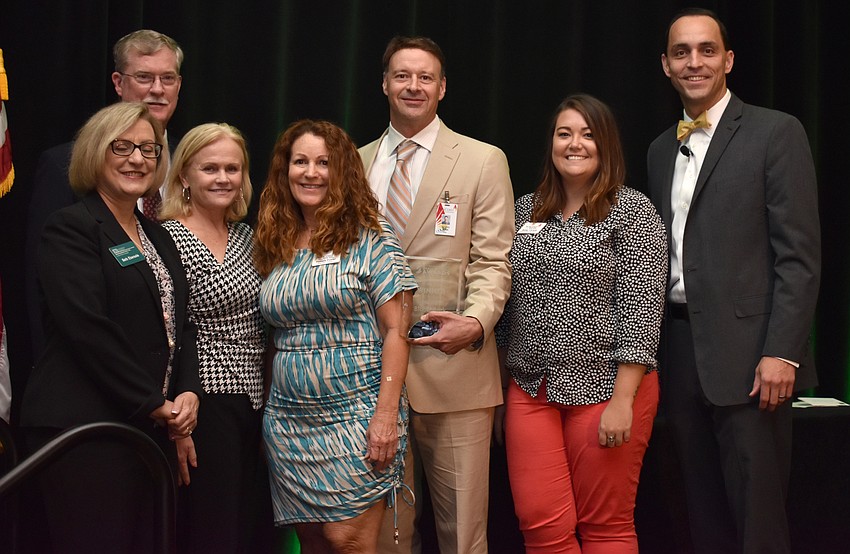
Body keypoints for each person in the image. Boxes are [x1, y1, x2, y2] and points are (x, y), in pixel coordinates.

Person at [647, 8, 820, 553]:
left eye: (706, 50)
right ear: (666, 66)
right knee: (698, 514)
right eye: (681, 52)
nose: (694, 62)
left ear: (728, 60)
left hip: (752, 361)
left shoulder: (776, 132)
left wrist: (783, 353)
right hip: (676, 354)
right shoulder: (657, 150)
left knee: (758, 520)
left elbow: (799, 256)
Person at [19, 102, 202, 552]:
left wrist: (187, 392)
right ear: (94, 152)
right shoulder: (71, 228)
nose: (137, 159)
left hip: (145, 430)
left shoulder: (157, 234)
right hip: (85, 430)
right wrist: (152, 402)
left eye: (148, 149)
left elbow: (183, 324)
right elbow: (87, 329)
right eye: (122, 146)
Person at [359, 36, 514, 554]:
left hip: (455, 373)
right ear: (384, 84)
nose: (413, 86)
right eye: (402, 76)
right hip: (368, 381)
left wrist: (475, 322)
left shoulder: (481, 160)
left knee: (462, 537)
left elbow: (493, 262)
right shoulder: (351, 167)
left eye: (426, 77)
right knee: (384, 537)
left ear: (442, 88)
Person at [494, 94, 667, 552]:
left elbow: (643, 308)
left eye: (588, 134)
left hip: (607, 389)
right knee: (540, 525)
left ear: (605, 144)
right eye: (565, 133)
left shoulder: (632, 211)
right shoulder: (525, 209)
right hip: (532, 389)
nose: (576, 144)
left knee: (604, 524)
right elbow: (506, 302)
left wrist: (623, 401)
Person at [255, 119, 417, 553]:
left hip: (358, 416)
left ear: (342, 171)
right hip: (289, 422)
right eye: (300, 161)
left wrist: (385, 418)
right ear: (284, 171)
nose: (311, 173)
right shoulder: (275, 243)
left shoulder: (373, 240)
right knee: (310, 543)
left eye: (324, 163)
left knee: (346, 541)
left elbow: (397, 333)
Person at [26, 29, 184, 357]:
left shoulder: (196, 166)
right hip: (87, 374)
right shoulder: (63, 166)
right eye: (144, 77)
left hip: (172, 374)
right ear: (118, 82)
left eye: (167, 78)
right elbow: (40, 284)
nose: (157, 89)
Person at [159, 123, 269, 553]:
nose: (223, 178)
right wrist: (177, 425)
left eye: (232, 168)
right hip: (201, 401)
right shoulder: (164, 237)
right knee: (211, 529)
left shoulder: (249, 237)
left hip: (255, 402)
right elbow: (165, 335)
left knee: (246, 526)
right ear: (185, 174)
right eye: (210, 168)